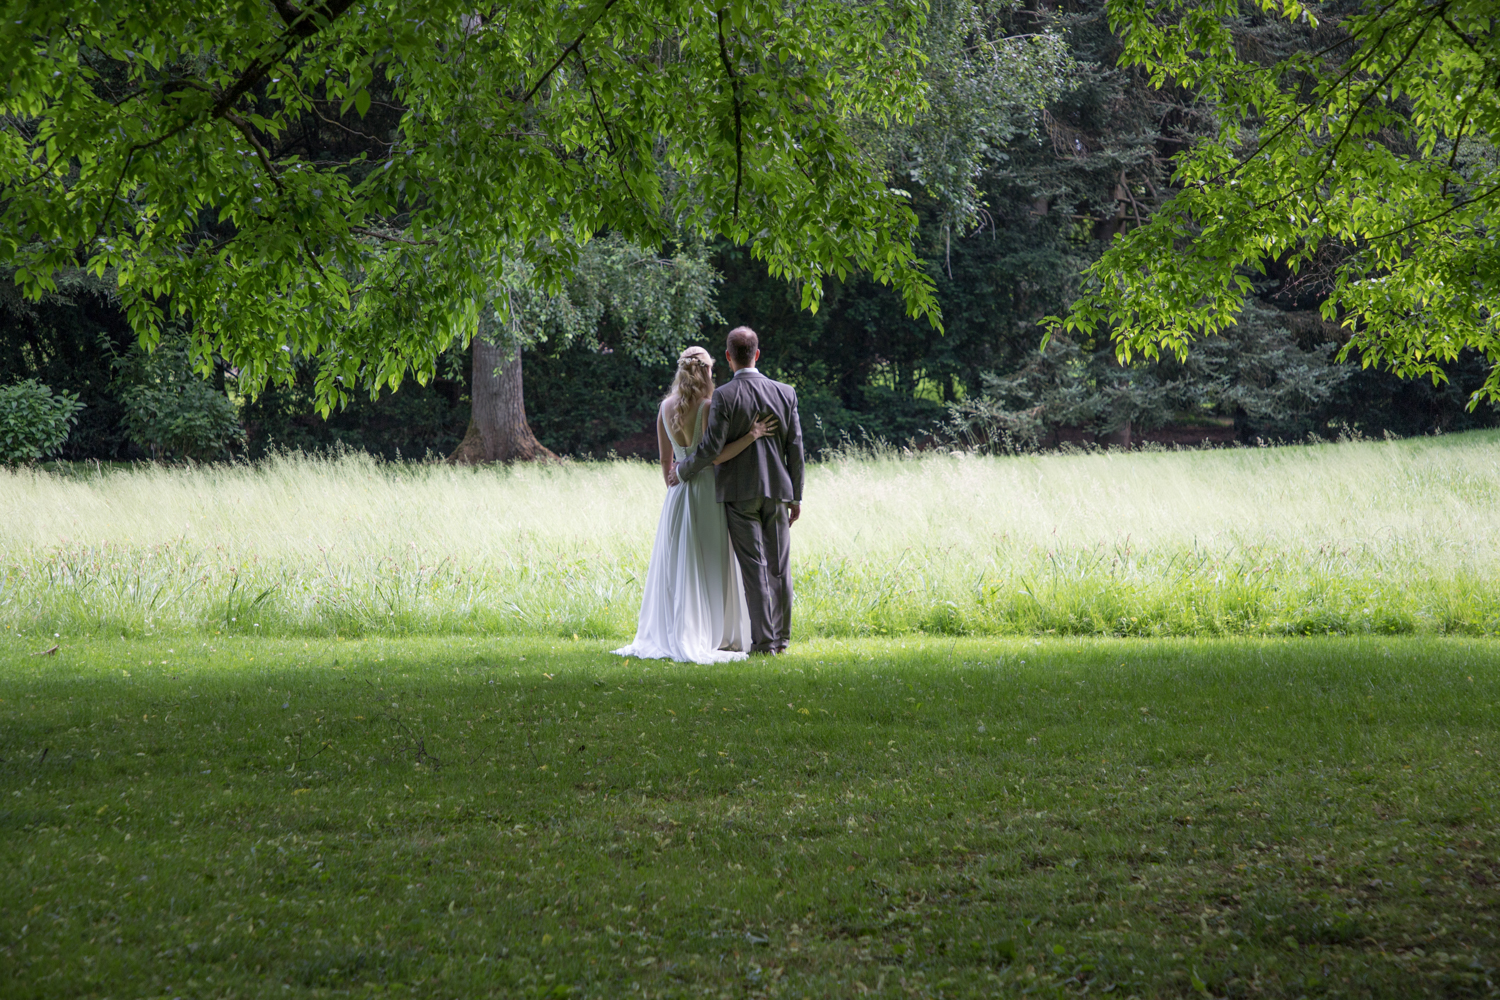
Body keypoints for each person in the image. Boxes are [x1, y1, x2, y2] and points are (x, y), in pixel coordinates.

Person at [613, 346, 779, 663]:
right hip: (707, 491)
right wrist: (752, 435)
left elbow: (665, 461)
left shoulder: (664, 408)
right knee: (711, 561)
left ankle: (679, 628)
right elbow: (714, 456)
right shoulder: (708, 405)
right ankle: (715, 632)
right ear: (706, 371)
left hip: (677, 494)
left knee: (680, 563)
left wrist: (676, 491)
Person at [673, 326, 804, 654]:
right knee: (779, 569)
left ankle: (764, 643)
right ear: (757, 354)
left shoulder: (724, 396)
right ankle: (782, 641)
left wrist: (683, 469)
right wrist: (796, 496)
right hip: (778, 491)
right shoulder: (785, 393)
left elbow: (710, 448)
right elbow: (796, 449)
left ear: (728, 357)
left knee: (754, 569)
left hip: (738, 492)